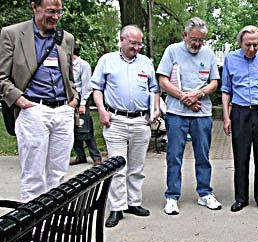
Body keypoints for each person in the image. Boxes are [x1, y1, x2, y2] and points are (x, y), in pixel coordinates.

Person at [0, 0, 78, 202]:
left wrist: (74, 99)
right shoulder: (12, 34)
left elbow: (69, 77)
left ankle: (54, 222)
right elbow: (1, 77)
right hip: (33, 109)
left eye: (59, 12)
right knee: (33, 175)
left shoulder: (66, 39)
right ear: (34, 7)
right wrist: (20, 100)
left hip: (63, 111)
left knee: (59, 175)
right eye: (51, 11)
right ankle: (33, 228)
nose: (56, 17)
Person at [90, 25, 160, 228]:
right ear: (121, 40)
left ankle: (133, 202)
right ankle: (116, 207)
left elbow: (154, 89)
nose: (137, 47)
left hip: (140, 121)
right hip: (116, 120)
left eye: (139, 44)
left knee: (137, 166)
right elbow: (97, 88)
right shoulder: (107, 60)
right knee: (117, 166)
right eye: (133, 43)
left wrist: (155, 109)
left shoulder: (146, 62)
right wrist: (101, 110)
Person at [157, 17, 222, 215]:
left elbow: (214, 83)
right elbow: (163, 80)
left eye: (201, 40)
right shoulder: (172, 51)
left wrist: (198, 94)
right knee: (174, 155)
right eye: (194, 39)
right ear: (185, 35)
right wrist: (184, 97)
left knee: (203, 154)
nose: (197, 44)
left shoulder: (208, 53)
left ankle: (204, 193)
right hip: (177, 112)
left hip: (202, 112)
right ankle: (172, 196)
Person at [221, 25, 258, 213]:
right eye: (248, 45)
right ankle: (241, 198)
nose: (252, 49)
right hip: (240, 113)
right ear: (240, 43)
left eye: (255, 45)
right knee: (241, 156)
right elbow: (226, 90)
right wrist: (226, 117)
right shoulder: (230, 59)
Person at [69, 44, 102, 166]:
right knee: (72, 129)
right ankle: (80, 155)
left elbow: (87, 86)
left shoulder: (83, 65)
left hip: (80, 99)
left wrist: (83, 103)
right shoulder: (66, 64)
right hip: (69, 99)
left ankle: (96, 157)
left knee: (85, 129)